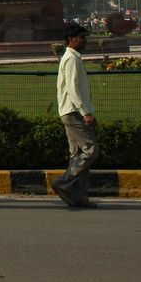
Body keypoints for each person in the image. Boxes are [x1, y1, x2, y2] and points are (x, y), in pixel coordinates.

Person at [51, 23, 99, 208]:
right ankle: (64, 182)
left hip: (70, 111)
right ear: (72, 39)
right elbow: (72, 89)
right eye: (82, 37)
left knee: (77, 154)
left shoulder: (71, 58)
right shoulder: (71, 59)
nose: (85, 40)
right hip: (74, 112)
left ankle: (78, 197)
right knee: (91, 150)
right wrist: (85, 112)